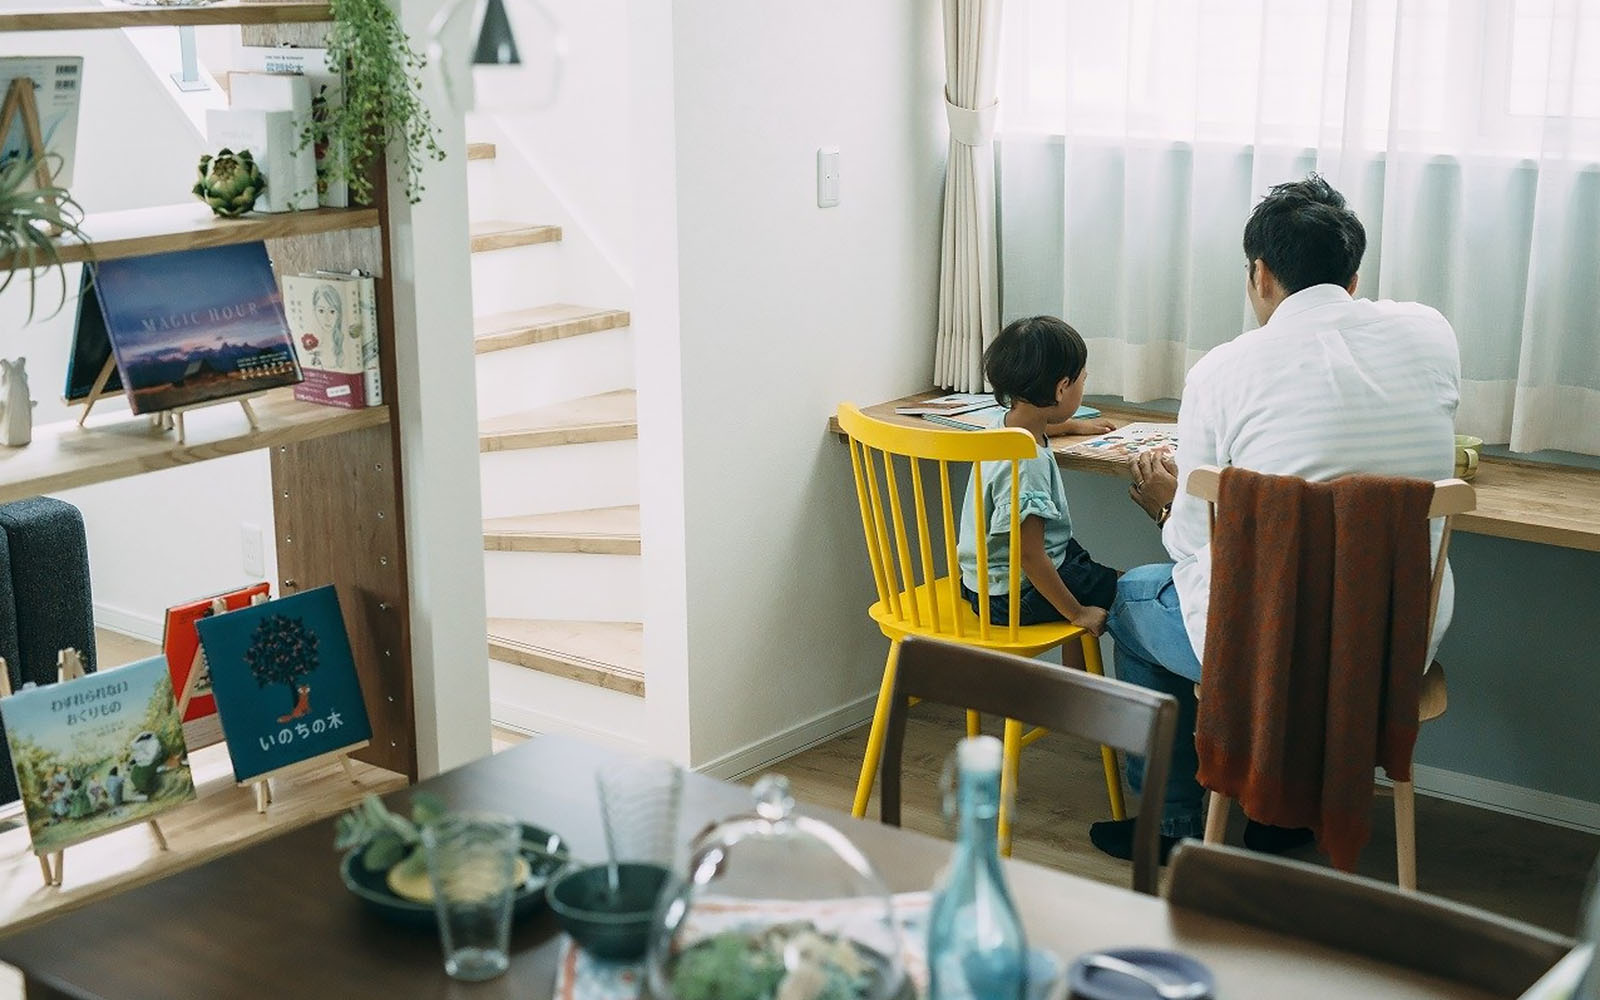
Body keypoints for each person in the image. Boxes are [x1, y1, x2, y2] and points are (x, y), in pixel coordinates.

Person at [1089, 174, 1461, 863]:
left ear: (1260, 274)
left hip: (1264, 655)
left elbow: (1197, 546)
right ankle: (1279, 817)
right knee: (1298, 600)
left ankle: (1172, 825)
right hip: (1394, 643)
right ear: (1354, 275)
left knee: (1135, 597)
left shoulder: (1225, 371)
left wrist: (1168, 500)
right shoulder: (1432, 334)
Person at [955, 316, 1121, 635]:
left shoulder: (1003, 426)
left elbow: (1036, 426)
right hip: (1014, 597)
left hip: (981, 582)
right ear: (1061, 389)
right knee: (1125, 588)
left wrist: (1071, 426)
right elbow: (1030, 555)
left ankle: (1076, 679)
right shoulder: (1027, 463)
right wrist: (1077, 613)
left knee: (1077, 554)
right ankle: (1087, 680)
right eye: (1082, 382)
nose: (1082, 388)